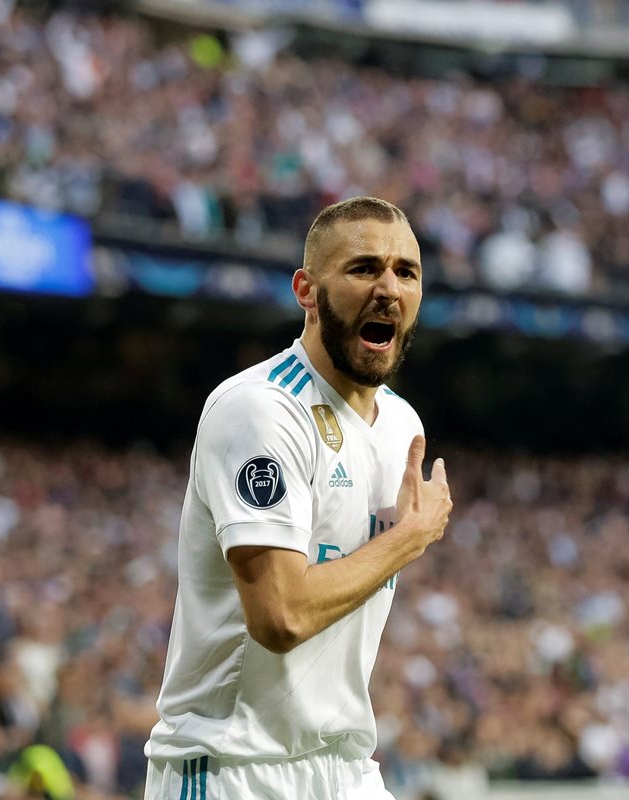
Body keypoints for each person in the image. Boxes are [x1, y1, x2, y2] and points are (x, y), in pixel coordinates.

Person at [143, 196, 452, 799]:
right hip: (235, 767)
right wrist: (408, 538)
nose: (388, 287)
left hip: (346, 767)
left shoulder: (400, 425)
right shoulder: (261, 409)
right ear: (306, 291)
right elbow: (280, 617)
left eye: (406, 271)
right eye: (364, 268)